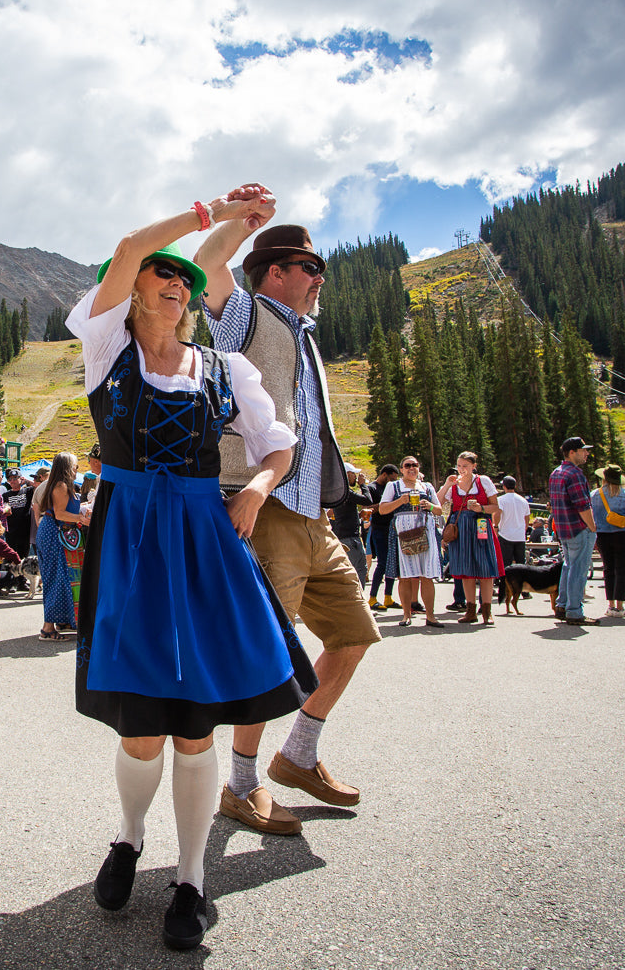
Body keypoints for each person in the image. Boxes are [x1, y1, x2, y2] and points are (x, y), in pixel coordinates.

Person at [69, 186, 314, 950]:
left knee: (197, 724)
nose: (177, 287)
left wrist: (260, 490)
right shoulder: (107, 349)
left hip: (206, 537)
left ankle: (192, 880)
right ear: (136, 285)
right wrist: (208, 218)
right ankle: (130, 834)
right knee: (142, 726)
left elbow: (280, 441)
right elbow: (127, 245)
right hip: (133, 537)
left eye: (185, 281)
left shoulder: (223, 368)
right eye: (161, 275)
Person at [197, 215, 380, 846]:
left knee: (354, 635)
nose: (318, 279)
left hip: (311, 512)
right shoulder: (247, 315)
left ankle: (297, 755)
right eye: (310, 268)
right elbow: (208, 264)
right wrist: (239, 222)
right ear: (276, 271)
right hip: (262, 507)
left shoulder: (305, 338)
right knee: (270, 652)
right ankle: (241, 784)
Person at [437, 452, 501, 625]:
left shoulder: (483, 481)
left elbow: (495, 507)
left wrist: (481, 508)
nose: (461, 469)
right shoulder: (453, 484)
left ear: (474, 466)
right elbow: (437, 503)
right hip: (461, 528)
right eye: (459, 465)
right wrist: (446, 484)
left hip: (481, 524)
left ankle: (487, 611)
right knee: (466, 570)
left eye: (465, 466)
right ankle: (470, 610)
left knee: (485, 567)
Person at [379, 459, 443, 626]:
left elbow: (439, 510)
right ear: (401, 469)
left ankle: (430, 616)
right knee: (405, 576)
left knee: (427, 575)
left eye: (414, 465)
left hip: (425, 532)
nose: (411, 468)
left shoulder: (427, 487)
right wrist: (401, 501)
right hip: (403, 534)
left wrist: (429, 505)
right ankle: (406, 615)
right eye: (407, 466)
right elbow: (382, 509)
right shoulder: (393, 487)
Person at [34, 452, 89, 638]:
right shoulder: (60, 486)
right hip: (54, 533)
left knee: (64, 579)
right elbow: (60, 514)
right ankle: (47, 628)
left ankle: (63, 620)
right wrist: (81, 519)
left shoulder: (64, 486)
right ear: (67, 467)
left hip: (56, 532)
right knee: (56, 579)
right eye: (74, 465)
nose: (77, 469)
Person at [547, 437, 600, 625]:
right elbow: (583, 505)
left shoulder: (556, 473)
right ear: (572, 452)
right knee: (578, 570)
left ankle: (562, 605)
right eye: (583, 450)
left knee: (569, 567)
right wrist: (593, 527)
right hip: (578, 528)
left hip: (563, 529)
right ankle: (575, 611)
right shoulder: (575, 474)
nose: (586, 453)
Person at [592, 466, 625, 617]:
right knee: (622, 570)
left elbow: (591, 516)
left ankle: (611, 604)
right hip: (623, 535)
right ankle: (620, 606)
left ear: (604, 478)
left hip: (602, 535)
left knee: (608, 569)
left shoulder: (594, 495)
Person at [327, 466, 375, 593]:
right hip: (350, 539)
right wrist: (363, 485)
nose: (356, 476)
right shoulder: (346, 491)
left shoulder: (337, 491)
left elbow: (343, 514)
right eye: (354, 474)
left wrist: (358, 515)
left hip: (343, 537)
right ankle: (358, 603)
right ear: (347, 474)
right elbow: (367, 500)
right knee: (359, 570)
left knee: (350, 571)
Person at [363, 464, 399, 611]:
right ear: (384, 474)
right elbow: (368, 508)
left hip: (392, 528)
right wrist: (386, 504)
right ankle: (372, 598)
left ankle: (388, 597)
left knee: (391, 563)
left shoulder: (390, 488)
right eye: (391, 478)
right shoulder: (372, 488)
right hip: (378, 529)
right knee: (383, 563)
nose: (393, 481)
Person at [493, 475, 531, 606]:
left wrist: (496, 526)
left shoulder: (501, 500)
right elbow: (527, 518)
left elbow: (497, 513)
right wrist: (524, 529)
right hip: (519, 535)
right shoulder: (523, 500)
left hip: (506, 534)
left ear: (504, 486)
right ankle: (525, 590)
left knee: (506, 565)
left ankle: (503, 591)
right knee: (522, 564)